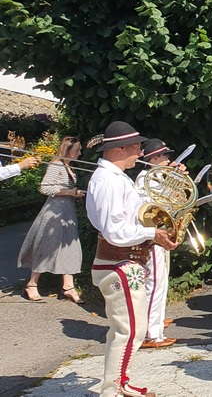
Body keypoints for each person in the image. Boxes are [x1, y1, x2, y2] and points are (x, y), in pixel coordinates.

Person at [87, 121, 178, 397]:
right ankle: (113, 389)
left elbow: (141, 208)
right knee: (129, 330)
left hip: (125, 262)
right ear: (120, 149)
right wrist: (153, 233)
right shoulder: (109, 180)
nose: (140, 153)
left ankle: (119, 383)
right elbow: (115, 232)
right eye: (137, 147)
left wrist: (170, 178)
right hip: (118, 263)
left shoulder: (117, 178)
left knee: (130, 329)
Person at [18, 137, 85, 303]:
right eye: (77, 150)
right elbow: (45, 187)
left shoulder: (69, 166)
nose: (80, 153)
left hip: (67, 212)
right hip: (55, 212)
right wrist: (70, 192)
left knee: (70, 246)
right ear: (67, 150)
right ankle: (32, 284)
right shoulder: (57, 165)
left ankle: (68, 286)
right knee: (47, 245)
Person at [135, 139, 177, 348]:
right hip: (152, 235)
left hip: (158, 234)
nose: (168, 160)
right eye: (165, 156)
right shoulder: (146, 178)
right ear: (154, 159)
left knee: (160, 283)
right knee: (155, 283)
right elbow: (151, 208)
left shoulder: (156, 177)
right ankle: (151, 334)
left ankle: (156, 327)